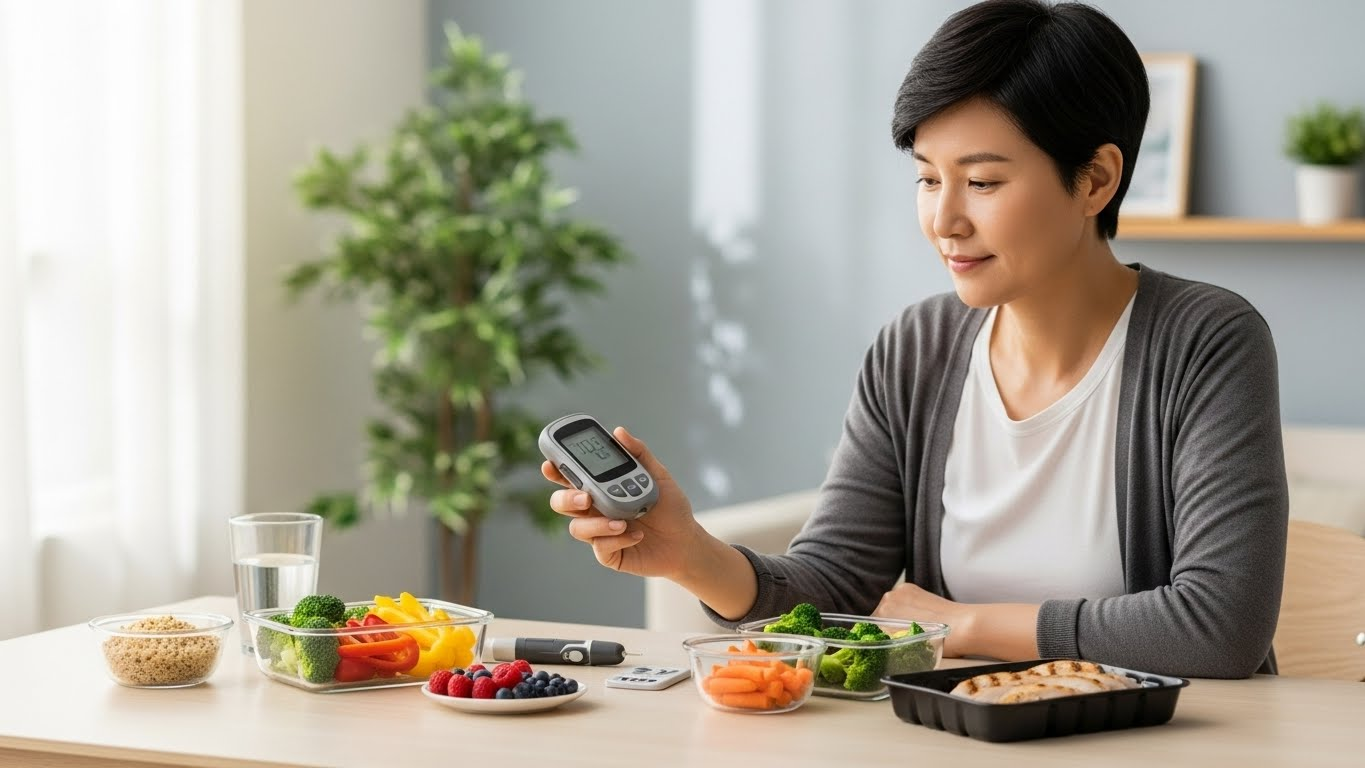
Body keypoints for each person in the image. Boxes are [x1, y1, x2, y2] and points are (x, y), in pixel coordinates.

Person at [542, 0, 1287, 679]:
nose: (944, 220)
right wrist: (691, 556)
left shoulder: (1206, 340)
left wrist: (961, 625)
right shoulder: (917, 348)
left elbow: (1216, 630)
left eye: (983, 182)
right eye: (928, 179)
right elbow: (835, 584)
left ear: (1094, 180)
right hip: (959, 734)